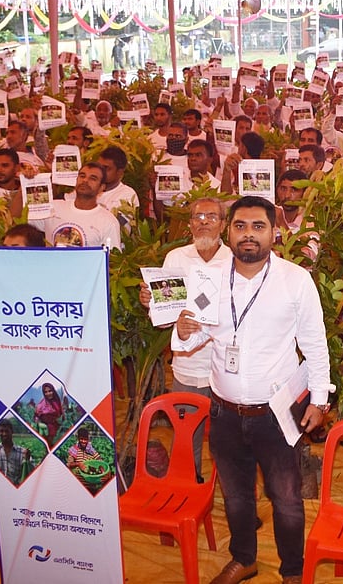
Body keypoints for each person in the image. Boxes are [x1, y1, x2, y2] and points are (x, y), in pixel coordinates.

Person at [173, 196, 331, 584]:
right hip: (224, 411)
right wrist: (183, 332)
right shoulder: (208, 280)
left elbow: (314, 343)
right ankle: (244, 558)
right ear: (228, 231)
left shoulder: (295, 279)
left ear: (274, 233)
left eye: (258, 227)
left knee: (287, 500)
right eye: (240, 226)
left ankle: (292, 570)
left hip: (276, 414)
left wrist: (320, 398)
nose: (248, 235)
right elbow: (194, 339)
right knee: (237, 496)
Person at [138, 197, 231, 476]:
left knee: (227, 440)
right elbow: (166, 318)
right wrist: (151, 303)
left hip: (226, 366)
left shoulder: (235, 260)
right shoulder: (176, 258)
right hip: (188, 367)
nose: (204, 222)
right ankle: (190, 482)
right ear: (189, 224)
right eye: (198, 217)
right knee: (186, 433)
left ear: (223, 225)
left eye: (212, 217)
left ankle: (230, 492)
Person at [0, 420, 32, 486]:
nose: (4, 434)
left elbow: (29, 472)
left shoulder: (22, 452)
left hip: (16, 490)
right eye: (1, 431)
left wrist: (28, 460)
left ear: (12, 432)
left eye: (7, 431)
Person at [34, 382, 65, 447]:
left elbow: (62, 415)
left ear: (53, 391)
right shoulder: (41, 404)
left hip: (57, 427)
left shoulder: (57, 402)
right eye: (46, 392)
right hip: (46, 429)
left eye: (50, 391)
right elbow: (36, 416)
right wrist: (39, 424)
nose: (48, 393)